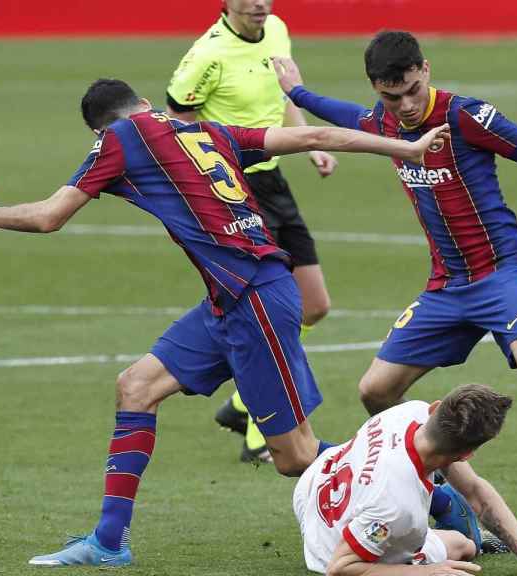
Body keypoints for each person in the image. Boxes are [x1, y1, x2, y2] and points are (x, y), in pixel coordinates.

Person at [0, 78, 448, 567]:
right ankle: (108, 542)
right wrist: (403, 149)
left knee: (295, 457)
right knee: (136, 387)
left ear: (99, 134)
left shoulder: (120, 139)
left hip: (256, 299)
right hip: (229, 300)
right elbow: (315, 136)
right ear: (145, 102)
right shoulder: (208, 131)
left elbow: (49, 217)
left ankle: (439, 497)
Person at [272, 32, 517, 454]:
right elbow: (344, 114)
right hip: (448, 286)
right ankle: (441, 489)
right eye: (391, 97)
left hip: (503, 269)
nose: (406, 106)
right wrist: (298, 93)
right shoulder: (384, 124)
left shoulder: (466, 116)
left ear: (426, 70)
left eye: (413, 91)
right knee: (375, 391)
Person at [166, 0, 336, 463]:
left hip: (274, 178)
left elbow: (279, 100)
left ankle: (243, 405)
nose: (260, 4)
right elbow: (175, 122)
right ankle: (263, 432)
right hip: (236, 190)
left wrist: (307, 144)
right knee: (266, 310)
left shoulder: (277, 29)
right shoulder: (206, 55)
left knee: (315, 304)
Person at [294, 384, 517, 576]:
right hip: (327, 549)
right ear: (466, 455)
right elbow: (340, 567)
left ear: (435, 408)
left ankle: (440, 500)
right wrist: (424, 572)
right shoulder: (397, 506)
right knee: (462, 545)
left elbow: (476, 493)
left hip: (313, 484)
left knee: (443, 534)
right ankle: (441, 507)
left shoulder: (410, 412)